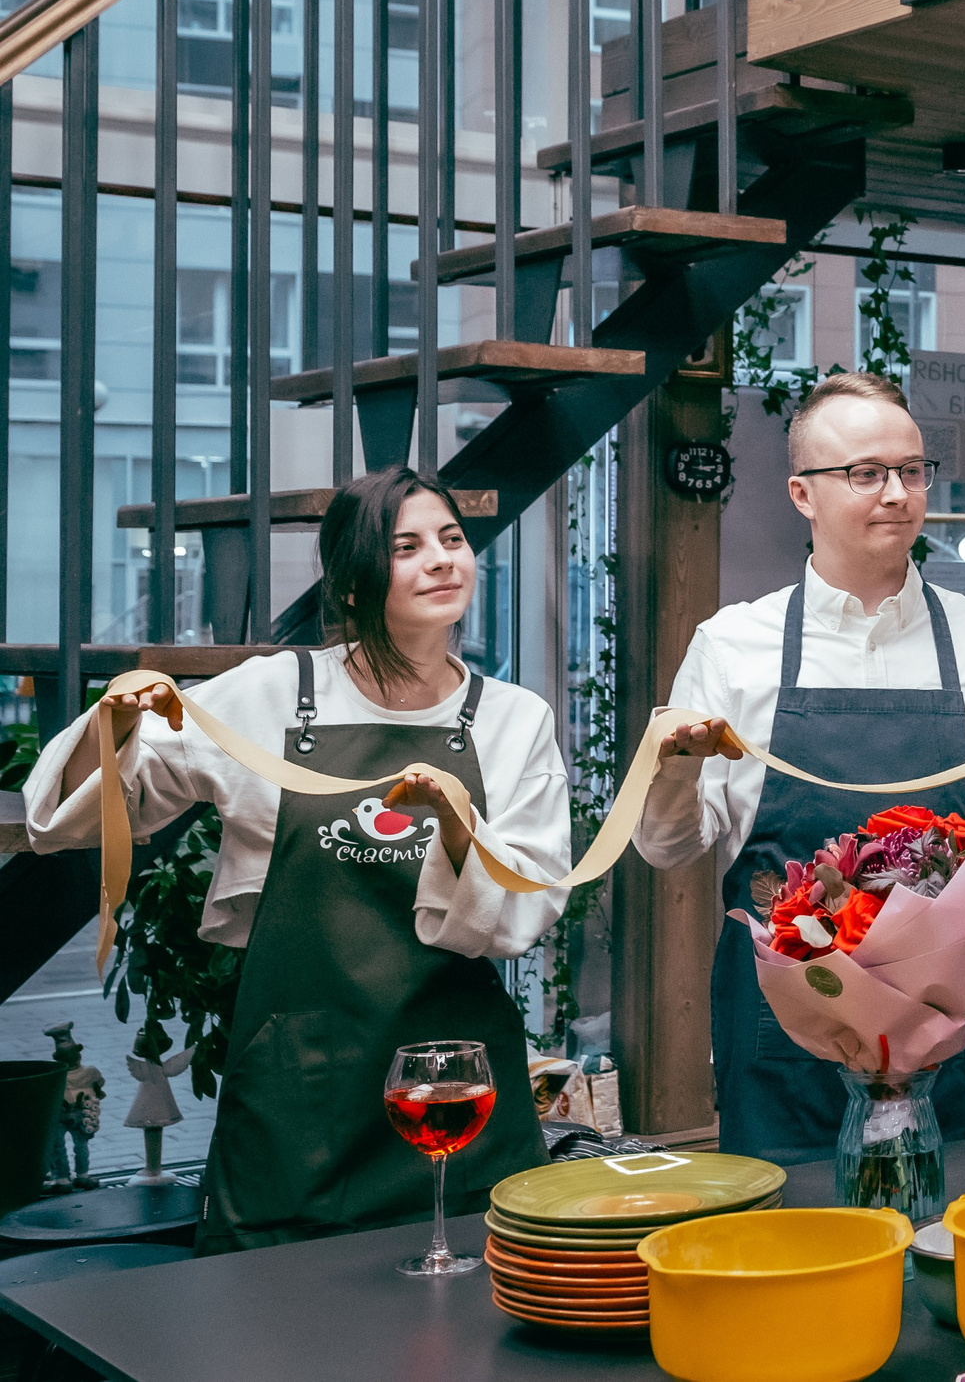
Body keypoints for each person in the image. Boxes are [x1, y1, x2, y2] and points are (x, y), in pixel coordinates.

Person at [25, 467, 571, 1253]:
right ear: (352, 584)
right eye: (408, 546)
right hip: (298, 1094)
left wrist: (456, 827)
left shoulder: (514, 719)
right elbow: (82, 814)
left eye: (452, 540)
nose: (443, 559)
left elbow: (528, 904)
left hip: (456, 1090)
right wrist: (113, 726)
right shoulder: (276, 694)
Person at [640, 370, 965, 1163]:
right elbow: (670, 847)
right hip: (788, 1036)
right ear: (802, 493)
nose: (898, 492)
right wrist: (678, 770)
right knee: (793, 1263)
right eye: (866, 473)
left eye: (912, 469)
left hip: (955, 1030)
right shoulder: (732, 646)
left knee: (959, 1257)